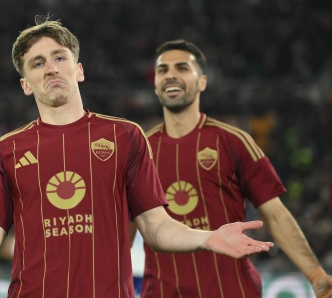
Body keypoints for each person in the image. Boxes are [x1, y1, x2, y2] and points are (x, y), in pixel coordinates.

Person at [0, 17, 275, 298]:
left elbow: (157, 227)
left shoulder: (124, 136)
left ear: (78, 69)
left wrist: (207, 237)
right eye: (37, 64)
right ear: (26, 84)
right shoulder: (8, 150)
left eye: (59, 58)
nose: (50, 68)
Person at [141, 39, 332, 298]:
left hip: (231, 291)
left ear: (202, 82)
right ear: (155, 83)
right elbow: (126, 230)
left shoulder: (234, 141)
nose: (170, 75)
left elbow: (275, 215)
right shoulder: (139, 151)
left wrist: (316, 275)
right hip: (163, 293)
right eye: (163, 70)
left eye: (182, 68)